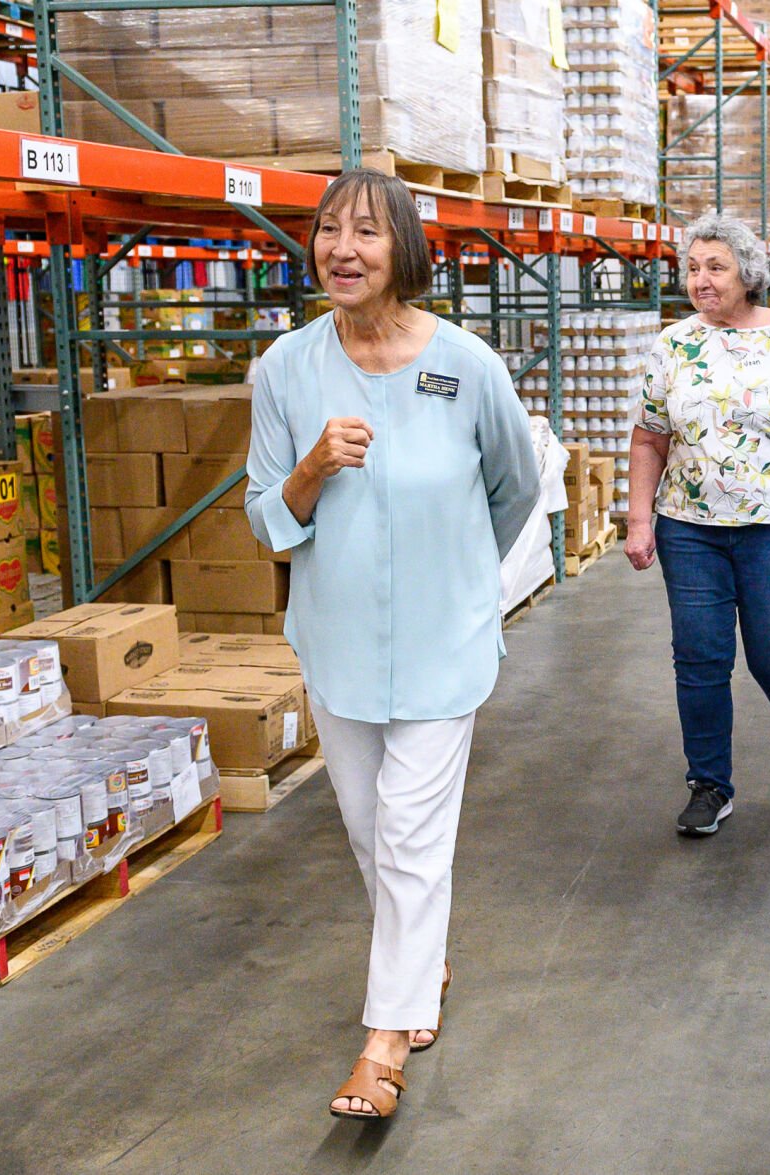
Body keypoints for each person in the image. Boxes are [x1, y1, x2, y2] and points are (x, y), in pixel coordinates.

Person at [244, 169, 540, 1120]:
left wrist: (461, 573)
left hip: (443, 641)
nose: (343, 249)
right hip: (336, 642)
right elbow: (264, 515)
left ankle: (384, 1038)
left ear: (402, 246)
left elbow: (516, 487)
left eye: (366, 232)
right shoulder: (286, 367)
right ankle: (422, 962)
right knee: (372, 831)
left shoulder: (467, 364)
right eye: (329, 230)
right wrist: (312, 467)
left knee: (411, 833)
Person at [625, 213, 770, 837]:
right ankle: (709, 784)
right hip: (689, 527)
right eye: (693, 268)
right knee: (699, 658)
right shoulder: (673, 344)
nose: (701, 279)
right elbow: (649, 437)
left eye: (716, 267)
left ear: (747, 274)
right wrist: (639, 519)